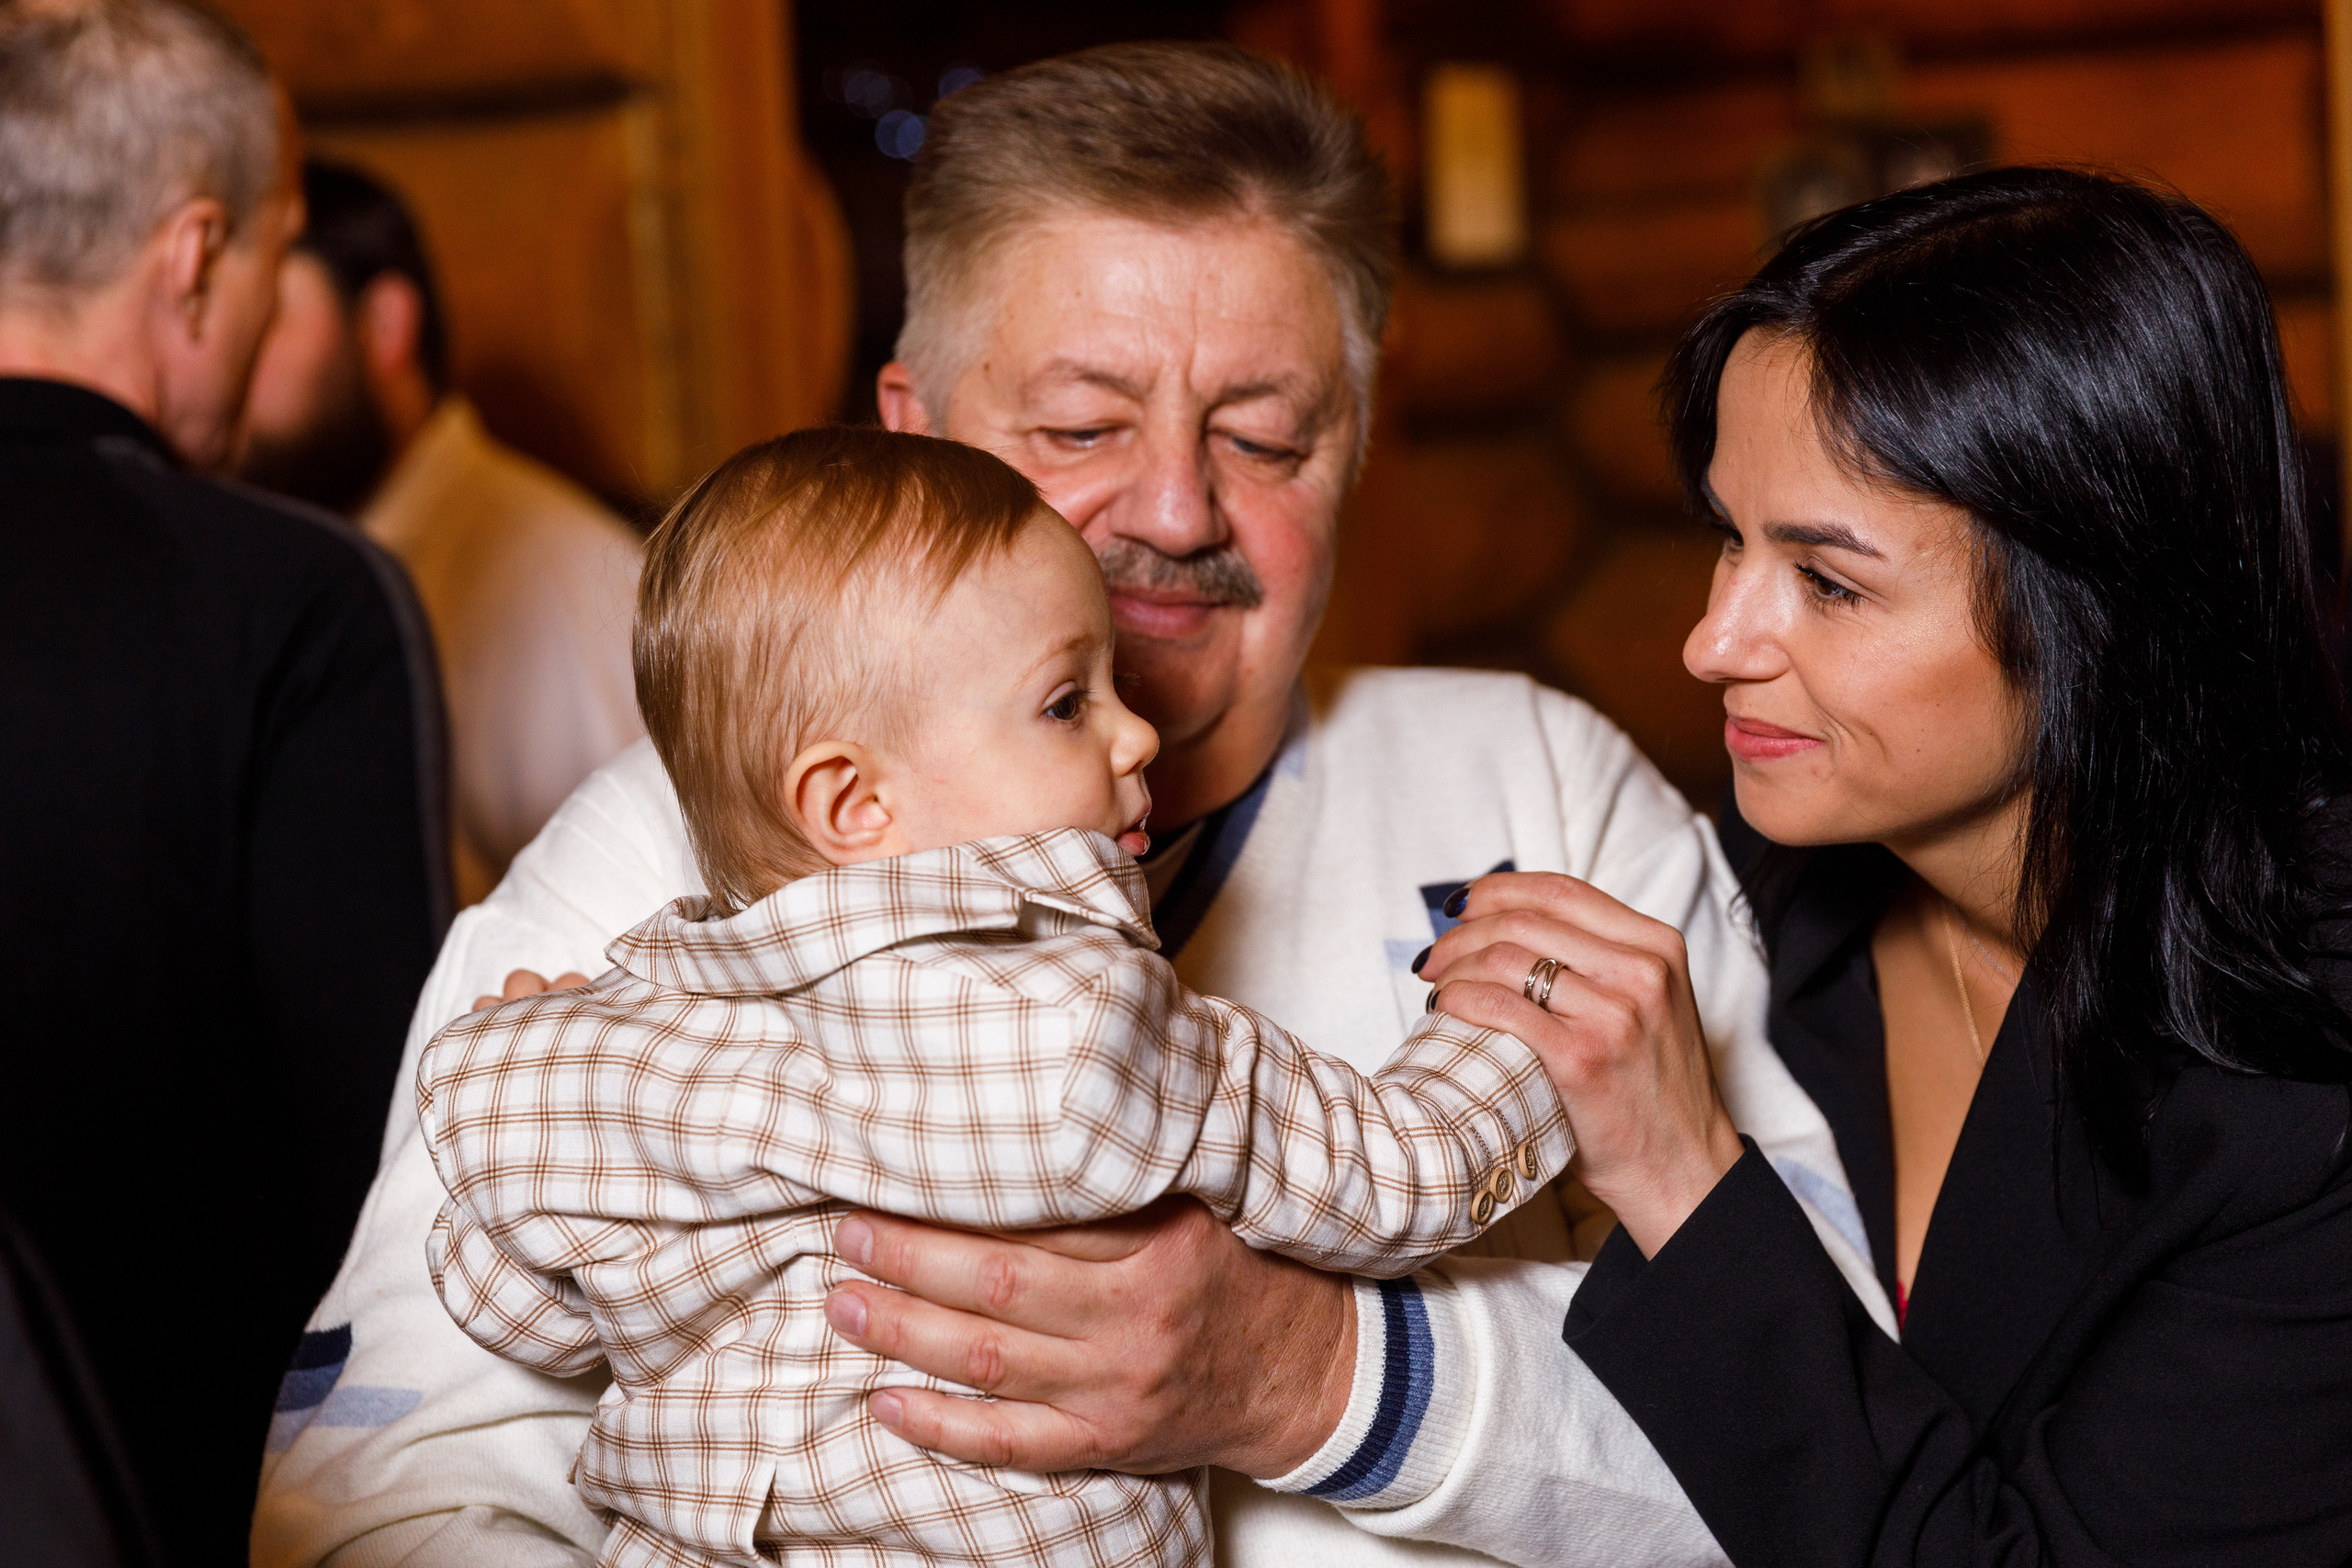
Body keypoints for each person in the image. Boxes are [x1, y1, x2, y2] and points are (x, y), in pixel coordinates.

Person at [253, 44, 1881, 1568]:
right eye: (1080, 428)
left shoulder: (1544, 787)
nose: (1174, 507)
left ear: (1358, 452)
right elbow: (384, 1474)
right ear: (912, 434)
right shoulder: (645, 864)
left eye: (1264, 435)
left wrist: (1319, 1371)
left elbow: (1849, 1441)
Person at [423, 425, 1573, 1567]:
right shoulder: (1086, 1032)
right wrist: (1513, 1025)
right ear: (854, 803)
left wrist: (544, 1058)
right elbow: (1397, 1172)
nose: (1138, 731)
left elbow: (526, 1315)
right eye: (1067, 703)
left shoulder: (615, 1052)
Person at [1417, 167, 2352, 1563]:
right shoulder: (1772, 889)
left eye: (1830, 582)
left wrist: (1683, 1175)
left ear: (2100, 606)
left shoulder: (2307, 1083)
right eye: (1729, 538)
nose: (1713, 642)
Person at [0, 2, 449, 1562]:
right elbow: (394, 1176)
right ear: (194, 256)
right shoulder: (298, 601)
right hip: (187, 1502)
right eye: (274, 249)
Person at [240, 159, 646, 906]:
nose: (232, 364)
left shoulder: (559, 571)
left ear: (386, 325)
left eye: (265, 320)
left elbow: (652, 919)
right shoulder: (281, 566)